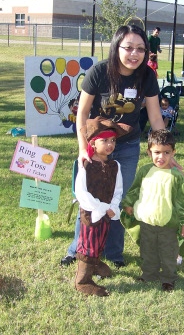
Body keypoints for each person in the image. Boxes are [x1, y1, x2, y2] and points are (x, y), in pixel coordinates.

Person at [60, 24, 179, 269]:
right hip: (96, 146)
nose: (134, 54)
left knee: (118, 197)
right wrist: (84, 148)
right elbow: (81, 113)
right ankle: (77, 249)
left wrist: (166, 151)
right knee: (89, 197)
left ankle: (114, 252)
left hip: (127, 146)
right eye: (128, 48)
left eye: (140, 49)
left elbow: (156, 118)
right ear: (117, 47)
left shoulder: (146, 76)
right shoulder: (99, 72)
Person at [122, 129, 184, 292]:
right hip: (146, 222)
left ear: (173, 153)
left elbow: (183, 201)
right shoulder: (145, 171)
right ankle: (149, 274)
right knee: (147, 251)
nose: (161, 157)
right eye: (157, 152)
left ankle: (168, 278)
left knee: (168, 253)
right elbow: (134, 190)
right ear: (149, 152)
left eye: (166, 152)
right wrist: (128, 203)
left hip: (168, 224)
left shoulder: (176, 176)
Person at [74, 117, 131, 296]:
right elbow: (81, 192)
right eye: (104, 140)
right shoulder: (86, 165)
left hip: (107, 212)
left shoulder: (115, 166)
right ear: (93, 142)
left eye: (113, 140)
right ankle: (82, 280)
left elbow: (118, 189)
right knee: (88, 244)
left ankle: (95, 263)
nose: (110, 145)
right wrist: (100, 207)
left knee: (100, 240)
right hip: (91, 213)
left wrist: (113, 206)